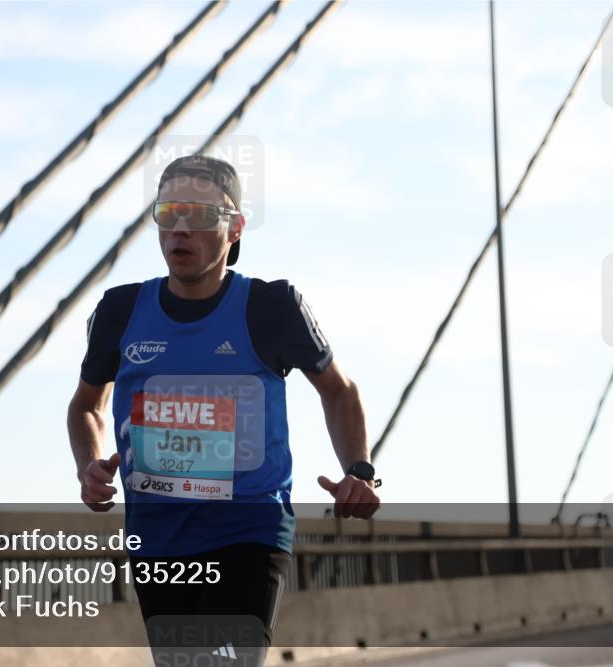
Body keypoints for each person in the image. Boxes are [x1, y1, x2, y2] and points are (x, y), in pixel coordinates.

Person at [67, 154, 380, 665]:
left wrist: (360, 471)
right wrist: (88, 466)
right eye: (168, 214)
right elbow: (86, 406)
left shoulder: (272, 307)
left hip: (248, 534)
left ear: (234, 228)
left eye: (201, 215)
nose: (181, 229)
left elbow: (339, 391)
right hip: (157, 541)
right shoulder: (121, 312)